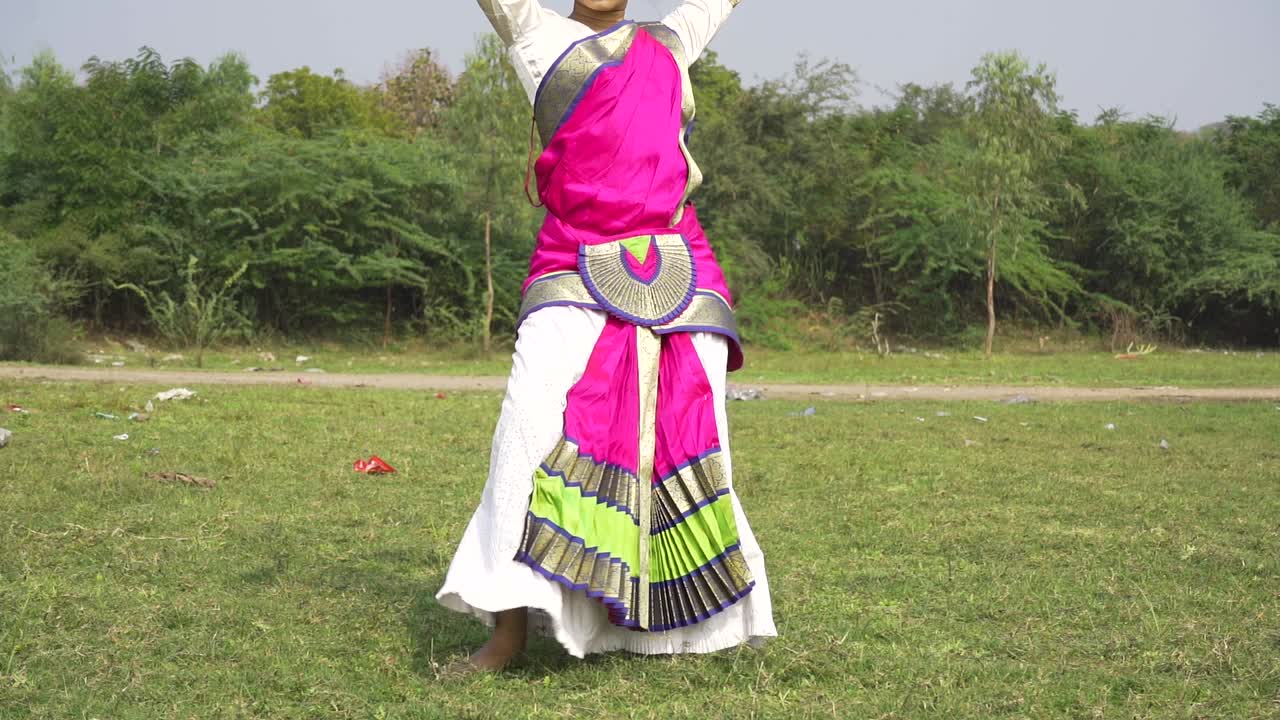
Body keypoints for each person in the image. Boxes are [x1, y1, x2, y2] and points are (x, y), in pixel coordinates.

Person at [436, 0, 775, 673]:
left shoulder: (668, 42)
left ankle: (671, 627)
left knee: (684, 440)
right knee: (524, 438)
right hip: (570, 263)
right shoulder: (533, 30)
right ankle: (507, 635)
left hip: (681, 269)